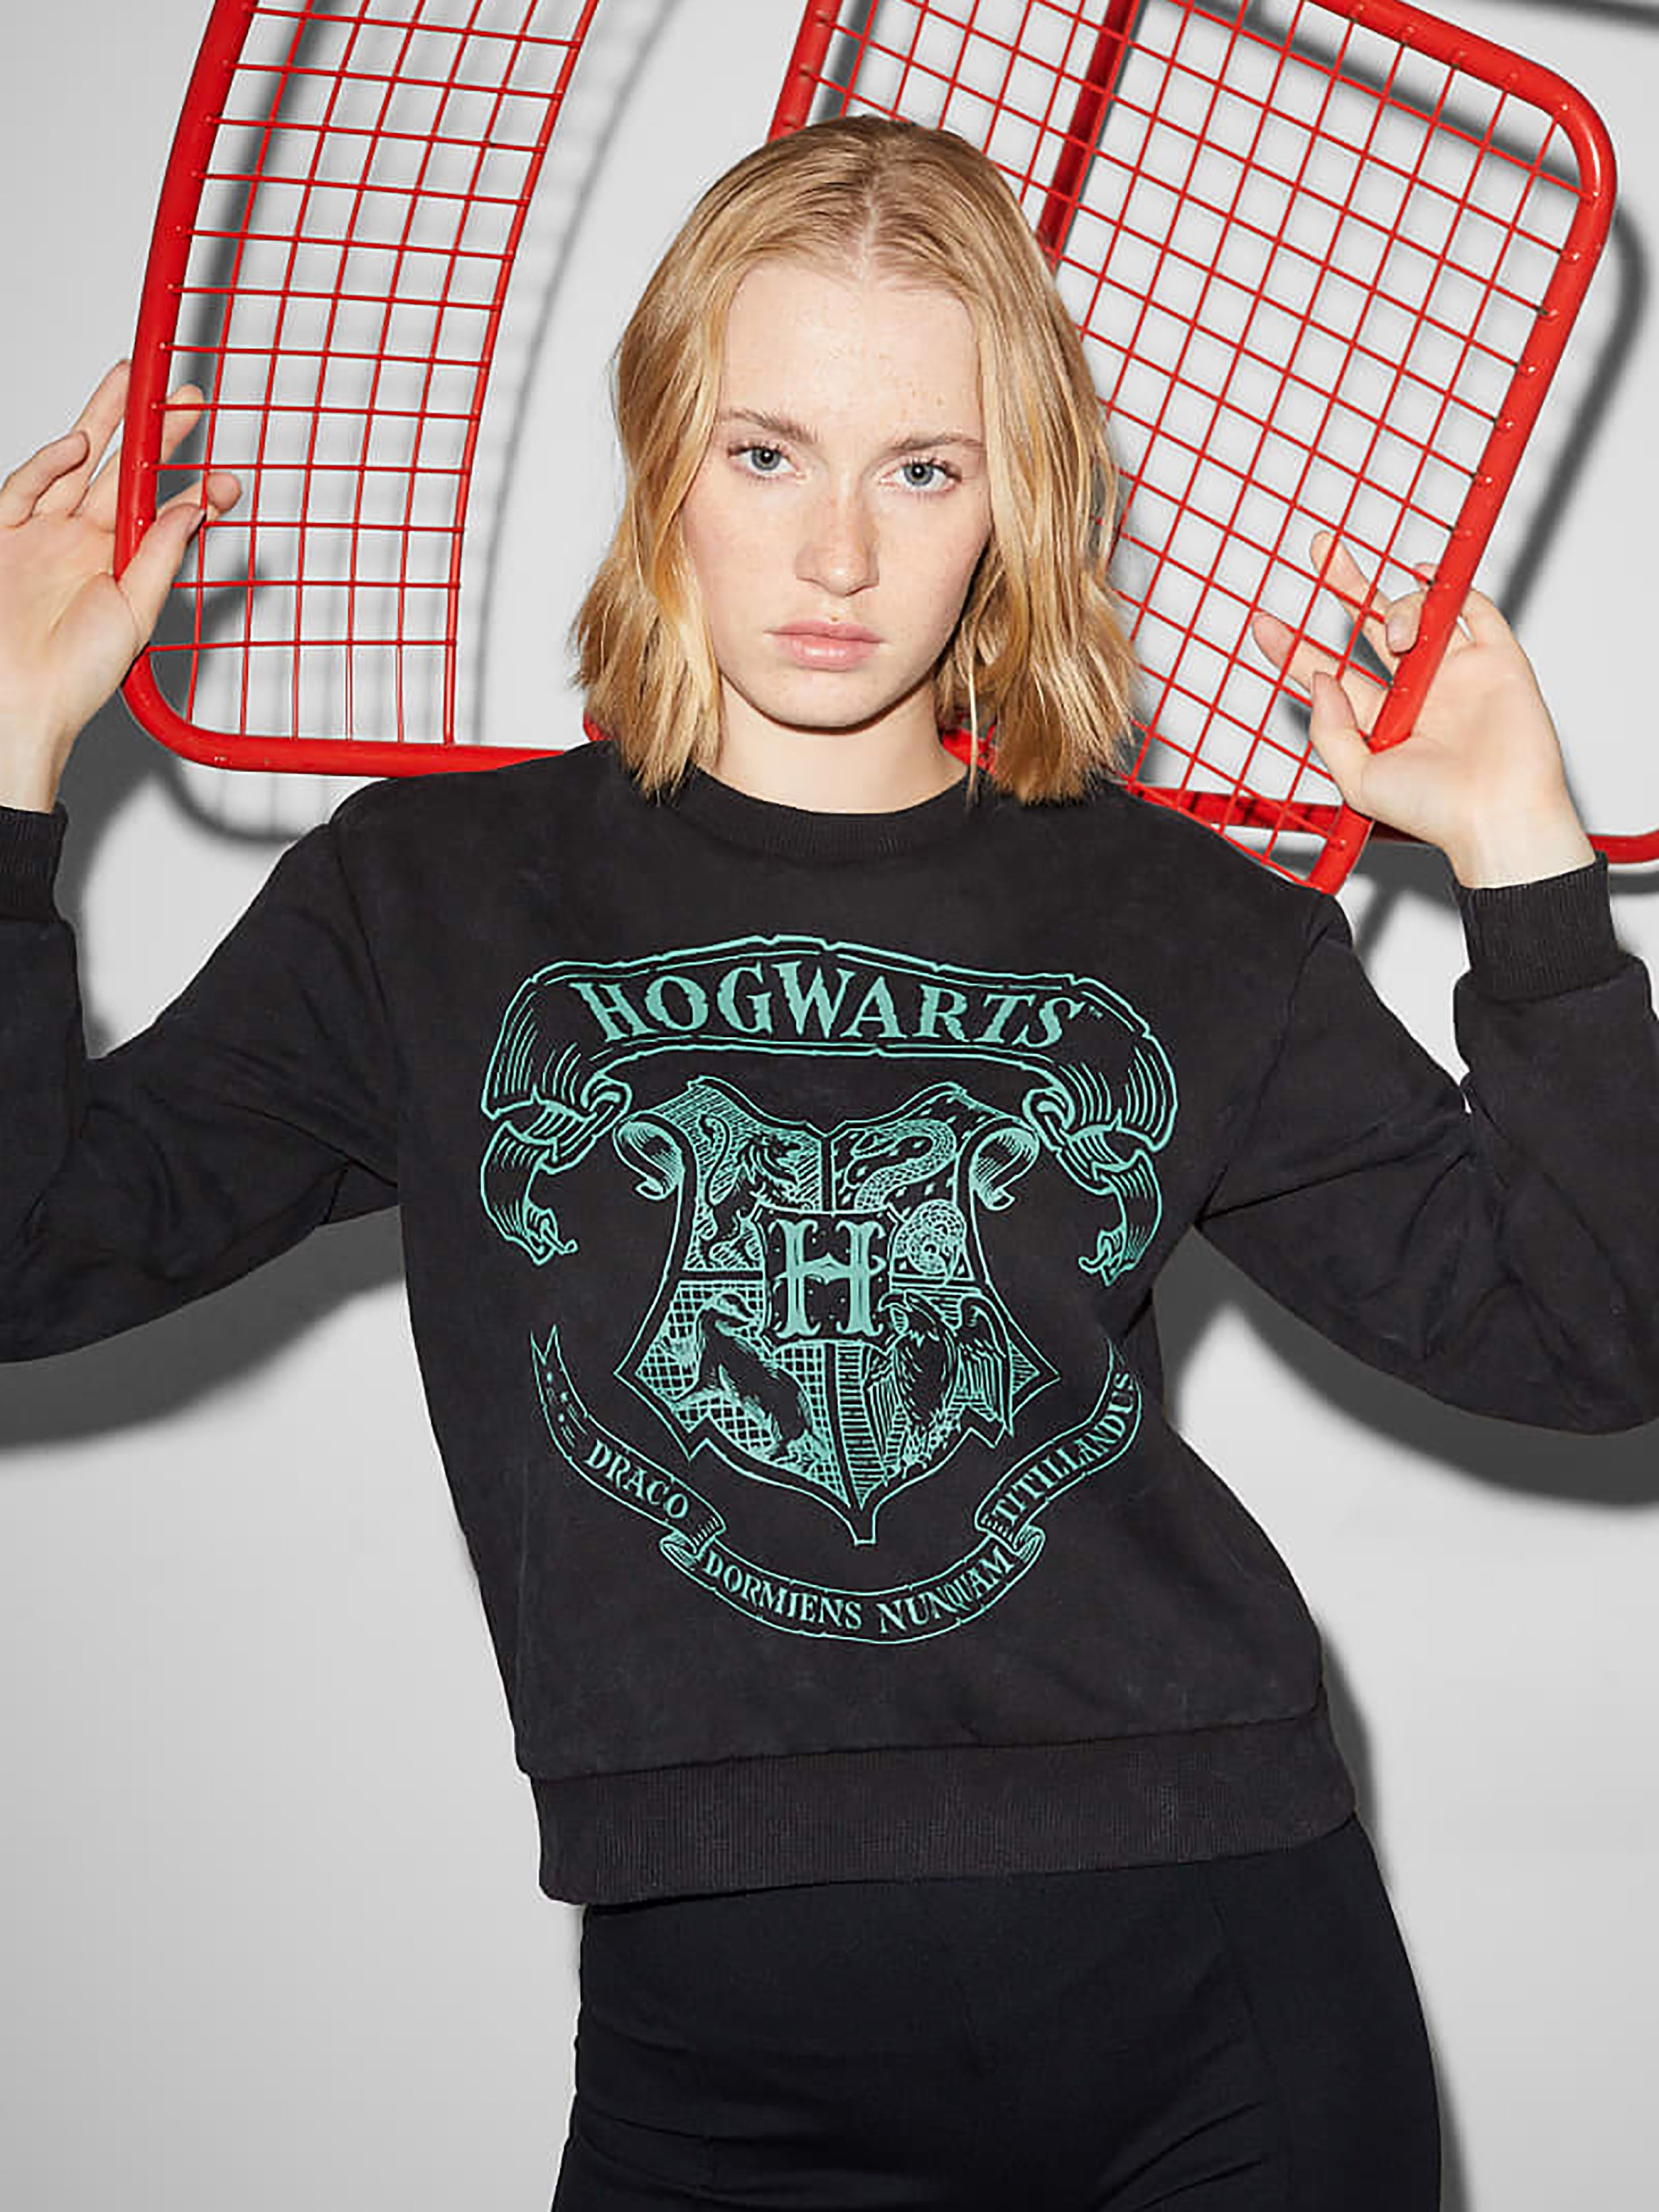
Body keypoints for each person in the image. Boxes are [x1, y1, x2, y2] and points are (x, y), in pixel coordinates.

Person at [2, 114, 1655, 2211]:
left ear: (1013, 499)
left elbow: (1588, 1336)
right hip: (715, 2061)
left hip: (1213, 1992)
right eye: (767, 452)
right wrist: (6, 756)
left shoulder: (1180, 927)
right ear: (663, 458)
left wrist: (1524, 868)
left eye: (923, 469)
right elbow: (26, 1257)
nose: (841, 557)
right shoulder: (423, 903)